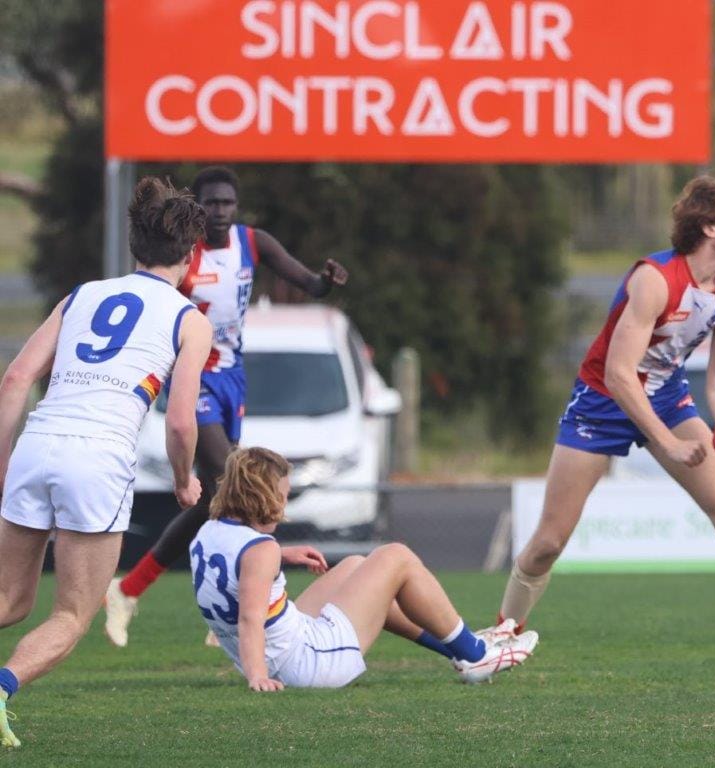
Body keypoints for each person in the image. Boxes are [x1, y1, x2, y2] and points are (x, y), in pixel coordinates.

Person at [494, 173, 715, 671]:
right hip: (601, 402)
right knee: (548, 543)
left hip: (669, 398)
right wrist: (666, 444)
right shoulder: (653, 278)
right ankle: (499, 639)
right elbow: (619, 374)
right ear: (709, 226)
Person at [0, 177, 213, 748]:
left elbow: (17, 379)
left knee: (9, 601)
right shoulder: (189, 319)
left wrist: (3, 467)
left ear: (135, 245)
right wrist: (183, 480)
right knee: (72, 615)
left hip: (38, 442)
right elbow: (179, 421)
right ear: (190, 254)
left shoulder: (82, 295)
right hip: (97, 458)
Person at [105, 166, 349, 648]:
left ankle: (133, 590)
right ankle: (221, 594)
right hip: (194, 377)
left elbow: (306, 283)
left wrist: (326, 281)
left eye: (227, 204)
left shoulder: (252, 242)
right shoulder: (183, 256)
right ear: (198, 207)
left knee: (219, 501)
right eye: (211, 203)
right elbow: (150, 303)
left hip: (234, 377)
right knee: (227, 479)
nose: (220, 212)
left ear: (236, 207)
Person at [193, 446, 538, 690]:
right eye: (282, 494)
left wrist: (281, 555)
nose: (284, 502)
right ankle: (476, 655)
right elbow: (250, 617)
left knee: (358, 567)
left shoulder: (209, 533)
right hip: (304, 664)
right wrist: (257, 676)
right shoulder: (261, 550)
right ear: (262, 494)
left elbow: (239, 570)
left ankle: (460, 650)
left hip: (279, 650)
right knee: (396, 556)